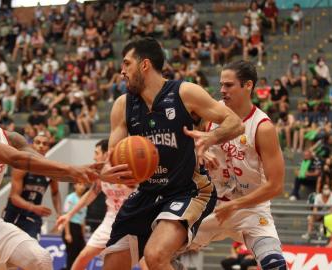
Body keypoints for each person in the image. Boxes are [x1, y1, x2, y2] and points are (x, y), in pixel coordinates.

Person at [99, 37, 244, 270]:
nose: (122, 70)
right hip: (147, 192)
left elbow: (235, 122)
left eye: (127, 64)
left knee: (155, 256)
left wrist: (211, 137)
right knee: (112, 266)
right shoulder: (122, 105)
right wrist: (109, 172)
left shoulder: (184, 92)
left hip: (189, 190)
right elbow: (112, 158)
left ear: (144, 65)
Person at [0, 80, 99, 270]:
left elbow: (45, 167)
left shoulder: (11, 138)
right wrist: (75, 171)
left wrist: (94, 175)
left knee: (41, 259)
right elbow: (16, 159)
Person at [188, 60, 287, 270]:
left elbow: (276, 186)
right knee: (157, 252)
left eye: (229, 85)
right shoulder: (213, 112)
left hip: (250, 207)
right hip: (213, 203)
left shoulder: (263, 127)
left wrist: (235, 205)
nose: (222, 90)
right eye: (222, 84)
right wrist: (200, 151)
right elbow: (190, 141)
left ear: (248, 85)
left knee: (275, 265)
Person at [56, 139, 134, 270]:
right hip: (111, 220)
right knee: (83, 256)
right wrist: (69, 214)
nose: (94, 157)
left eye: (96, 153)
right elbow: (91, 194)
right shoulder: (100, 172)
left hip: (133, 219)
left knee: (147, 262)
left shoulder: (128, 167)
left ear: (106, 153)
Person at [3, 133, 62, 239]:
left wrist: (59, 213)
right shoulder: (22, 166)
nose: (41, 146)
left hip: (33, 215)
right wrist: (33, 207)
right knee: (7, 249)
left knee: (33, 247)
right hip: (15, 212)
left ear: (48, 148)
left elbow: (55, 193)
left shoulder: (51, 169)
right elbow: (14, 197)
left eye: (45, 143)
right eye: (38, 142)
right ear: (32, 146)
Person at [62, 183, 88, 270]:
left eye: (84, 185)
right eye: (80, 184)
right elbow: (66, 215)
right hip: (70, 227)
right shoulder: (70, 198)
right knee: (72, 254)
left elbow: (83, 219)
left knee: (81, 254)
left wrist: (83, 235)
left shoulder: (84, 200)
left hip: (78, 229)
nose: (82, 186)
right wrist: (67, 233)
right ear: (75, 185)